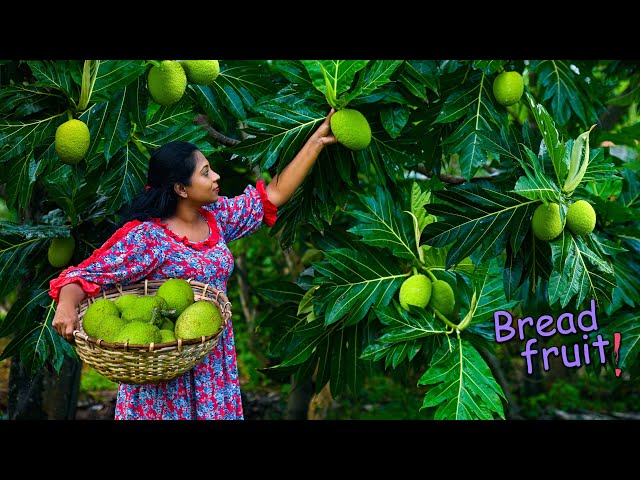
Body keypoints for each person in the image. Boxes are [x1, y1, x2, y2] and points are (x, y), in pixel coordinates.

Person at [50, 108, 337, 420]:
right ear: (180, 188)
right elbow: (85, 275)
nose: (215, 177)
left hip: (212, 364)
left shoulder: (217, 220)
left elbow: (274, 194)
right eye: (205, 173)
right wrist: (66, 306)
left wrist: (317, 141)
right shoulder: (149, 238)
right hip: (162, 370)